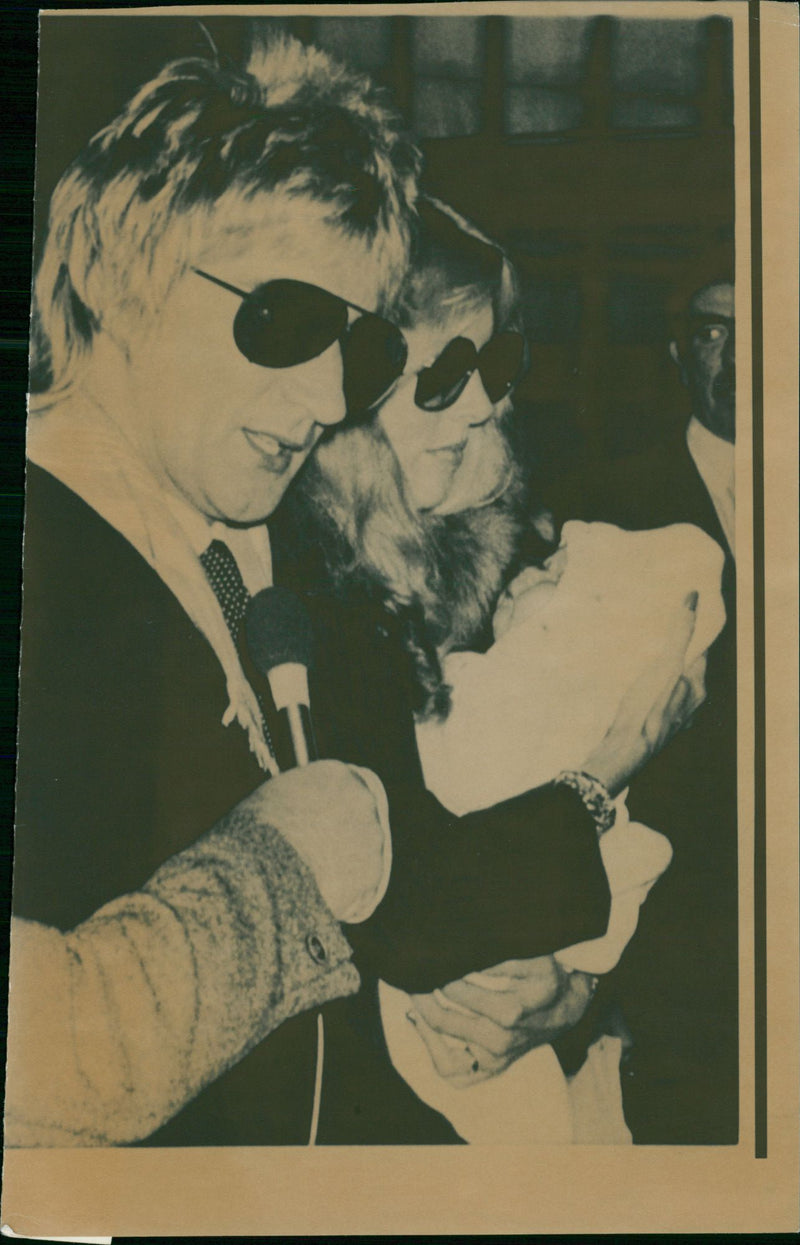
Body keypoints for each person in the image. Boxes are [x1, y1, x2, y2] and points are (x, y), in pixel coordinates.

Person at [12, 38, 613, 1149]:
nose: (330, 393)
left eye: (362, 345)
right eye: (283, 322)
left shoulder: (274, 549)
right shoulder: (42, 554)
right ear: (114, 271)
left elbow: (413, 888)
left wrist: (571, 1000)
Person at [270, 201, 708, 1143]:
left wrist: (578, 993)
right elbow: (408, 906)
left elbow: (679, 853)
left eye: (495, 365)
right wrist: (613, 761)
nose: (480, 405)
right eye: (445, 374)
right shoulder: (302, 590)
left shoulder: (525, 558)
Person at [545, 267, 738, 1143]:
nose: (737, 357)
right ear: (676, 350)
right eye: (710, 331)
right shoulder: (607, 501)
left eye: (762, 329)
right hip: (680, 932)